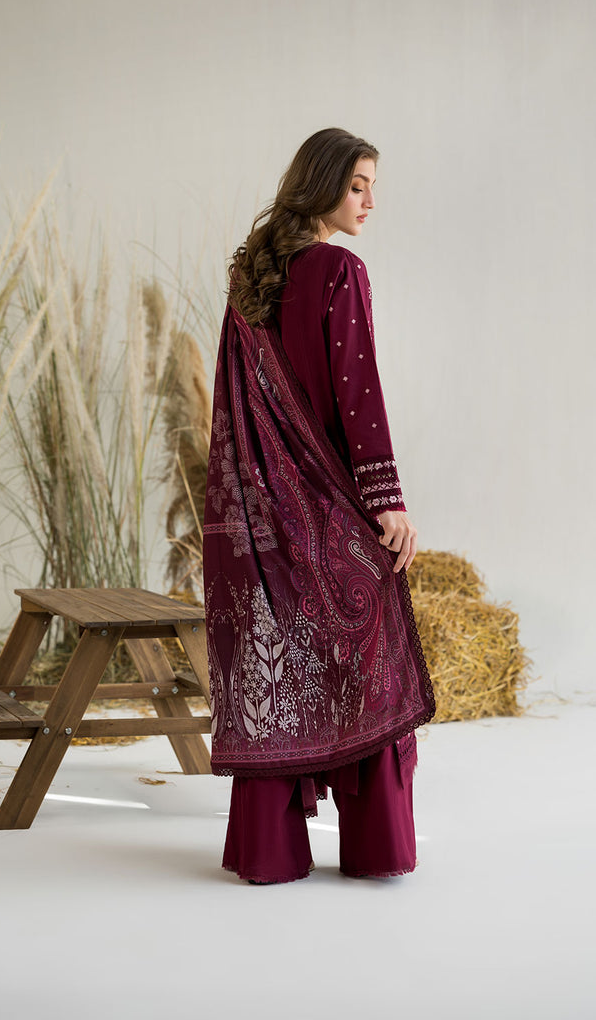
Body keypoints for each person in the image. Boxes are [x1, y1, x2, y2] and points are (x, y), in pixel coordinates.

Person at [203, 127, 435, 884]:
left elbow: (228, 412)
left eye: (373, 187)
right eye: (357, 185)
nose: (369, 201)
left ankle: (268, 855)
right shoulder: (338, 269)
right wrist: (385, 499)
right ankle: (376, 849)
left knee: (277, 664)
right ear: (322, 183)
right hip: (325, 496)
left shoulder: (252, 277)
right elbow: (355, 391)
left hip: (256, 509)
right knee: (371, 652)